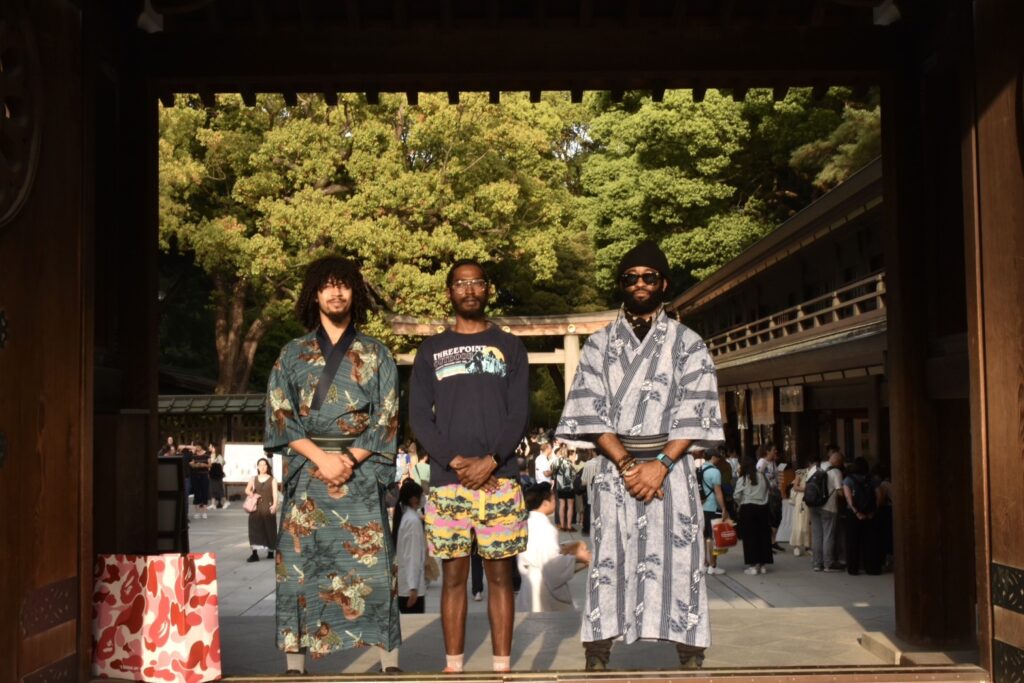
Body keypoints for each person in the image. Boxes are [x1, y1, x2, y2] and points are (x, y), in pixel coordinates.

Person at [556, 241, 725, 671]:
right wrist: (630, 465)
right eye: (631, 277)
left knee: (680, 556)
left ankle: (689, 648)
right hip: (617, 469)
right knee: (609, 556)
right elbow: (588, 411)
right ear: (621, 285)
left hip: (673, 467)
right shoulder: (597, 345)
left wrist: (660, 465)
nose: (640, 284)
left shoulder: (688, 343)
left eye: (649, 276)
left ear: (664, 283)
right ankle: (599, 649)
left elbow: (695, 410)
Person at [264, 256, 401, 675]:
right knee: (301, 568)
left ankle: (388, 659)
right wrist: (322, 458)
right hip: (309, 472)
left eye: (343, 285)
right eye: (327, 286)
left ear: (353, 292)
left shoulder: (377, 354)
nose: (335, 292)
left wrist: (349, 459)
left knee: (373, 570)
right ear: (314, 294)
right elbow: (280, 414)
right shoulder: (292, 354)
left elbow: (388, 415)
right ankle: (295, 662)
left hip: (358, 474)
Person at [409, 258, 529, 674]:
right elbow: (420, 415)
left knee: (500, 576)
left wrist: (493, 460)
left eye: (477, 282)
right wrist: (454, 461)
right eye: (461, 283)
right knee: (453, 577)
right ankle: (454, 666)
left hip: (501, 479)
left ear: (488, 289)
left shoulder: (510, 346)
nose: (470, 289)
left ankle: (501, 666)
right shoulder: (431, 349)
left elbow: (519, 412)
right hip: (447, 481)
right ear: (450, 292)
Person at [516, 483, 592, 613]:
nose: (555, 501)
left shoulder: (526, 523)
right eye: (553, 498)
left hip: (528, 583)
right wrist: (578, 558)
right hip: (543, 588)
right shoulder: (545, 528)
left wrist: (565, 550)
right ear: (545, 503)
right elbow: (552, 566)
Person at [734, 454, 773, 575]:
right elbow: (768, 491)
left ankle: (753, 565)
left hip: (748, 509)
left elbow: (736, 495)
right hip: (763, 508)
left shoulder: (744, 479)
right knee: (763, 536)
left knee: (750, 537)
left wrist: (741, 503)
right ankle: (762, 565)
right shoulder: (762, 477)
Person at [842, 456, 881, 575]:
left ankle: (853, 568)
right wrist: (874, 510)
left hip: (853, 514)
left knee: (852, 541)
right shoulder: (874, 479)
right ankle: (871, 568)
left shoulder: (848, 480)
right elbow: (879, 495)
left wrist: (856, 512)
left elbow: (848, 497)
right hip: (870, 514)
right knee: (870, 542)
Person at [392, 479, 427, 614]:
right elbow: (412, 556)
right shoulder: (413, 521)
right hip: (412, 588)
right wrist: (413, 588)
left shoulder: (407, 517)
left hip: (406, 584)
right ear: (414, 499)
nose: (423, 499)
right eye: (421, 495)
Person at [808, 446, 845, 572]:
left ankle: (817, 563)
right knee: (828, 535)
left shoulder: (814, 468)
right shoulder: (836, 472)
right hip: (828, 507)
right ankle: (828, 563)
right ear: (838, 462)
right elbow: (840, 492)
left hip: (813, 505)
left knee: (817, 535)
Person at [699, 447, 731, 575]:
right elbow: (718, 492)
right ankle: (713, 565)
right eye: (717, 457)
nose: (718, 459)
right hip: (712, 506)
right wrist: (724, 508)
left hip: (701, 506)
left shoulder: (699, 469)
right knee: (713, 537)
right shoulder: (715, 471)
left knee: (703, 536)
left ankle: (704, 563)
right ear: (713, 457)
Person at [245, 457, 279, 561]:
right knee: (254, 529)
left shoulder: (272, 479)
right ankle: (254, 553)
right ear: (258, 467)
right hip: (256, 508)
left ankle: (270, 551)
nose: (263, 467)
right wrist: (252, 493)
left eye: (265, 465)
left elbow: (275, 494)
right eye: (260, 465)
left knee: (270, 529)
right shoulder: (253, 478)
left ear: (268, 467)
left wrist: (274, 505)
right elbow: (247, 489)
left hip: (268, 507)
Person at [756, 442, 783, 550]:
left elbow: (776, 477)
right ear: (767, 451)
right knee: (771, 517)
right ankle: (768, 542)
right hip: (767, 493)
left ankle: (773, 540)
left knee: (777, 517)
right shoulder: (762, 462)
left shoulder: (773, 462)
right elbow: (758, 476)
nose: (775, 452)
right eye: (773, 450)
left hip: (775, 491)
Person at [788, 464, 812, 556]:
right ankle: (796, 546)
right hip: (801, 498)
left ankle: (808, 546)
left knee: (808, 522)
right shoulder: (800, 472)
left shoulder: (816, 472)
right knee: (799, 521)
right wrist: (808, 489)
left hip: (811, 498)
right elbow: (795, 487)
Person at [554, 444, 576, 531]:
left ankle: (562, 526)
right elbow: (574, 474)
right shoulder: (570, 462)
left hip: (560, 486)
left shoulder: (557, 461)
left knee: (562, 505)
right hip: (569, 486)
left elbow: (553, 471)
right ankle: (569, 526)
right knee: (570, 505)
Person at [189, 443, 212, 519]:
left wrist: (203, 465)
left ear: (201, 446)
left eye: (197, 446)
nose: (196, 448)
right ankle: (197, 512)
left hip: (204, 475)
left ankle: (205, 512)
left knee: (204, 492)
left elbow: (210, 465)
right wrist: (194, 465)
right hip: (196, 475)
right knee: (197, 493)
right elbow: (191, 464)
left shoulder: (207, 454)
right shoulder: (194, 455)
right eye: (196, 446)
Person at [209, 444, 228, 509]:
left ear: (215, 448)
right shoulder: (210, 455)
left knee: (219, 489)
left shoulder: (219, 456)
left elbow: (223, 463)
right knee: (212, 489)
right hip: (211, 474)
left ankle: (225, 502)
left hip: (217, 475)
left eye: (211, 447)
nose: (210, 448)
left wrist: (214, 461)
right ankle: (213, 504)